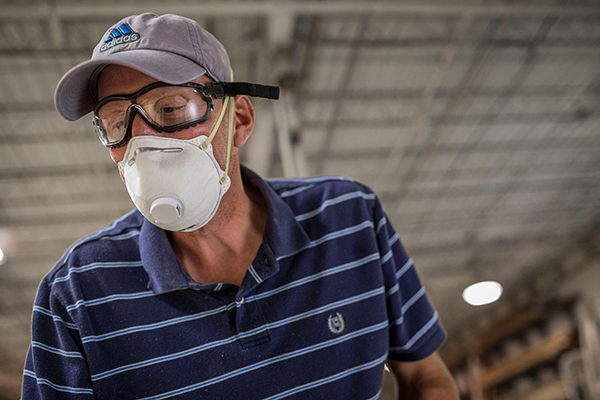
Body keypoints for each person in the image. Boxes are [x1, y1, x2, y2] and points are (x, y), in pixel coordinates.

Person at [22, 13, 459, 400]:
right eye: (118, 121)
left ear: (241, 119)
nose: (143, 141)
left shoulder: (351, 218)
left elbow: (425, 377)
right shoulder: (77, 295)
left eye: (171, 108)